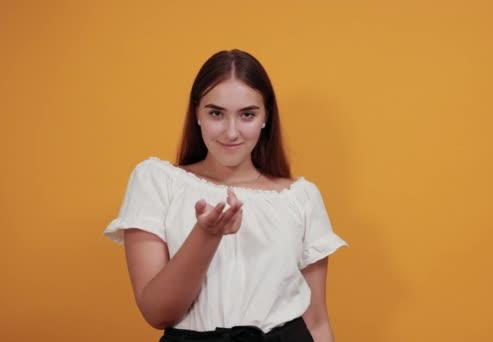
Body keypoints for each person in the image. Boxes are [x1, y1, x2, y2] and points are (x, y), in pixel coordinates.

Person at [104, 49, 347, 342]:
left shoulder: (300, 197)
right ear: (197, 113)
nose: (231, 132)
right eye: (216, 113)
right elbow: (157, 313)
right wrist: (206, 235)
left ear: (265, 116)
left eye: (247, 114)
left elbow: (317, 321)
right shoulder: (157, 182)